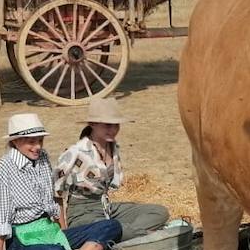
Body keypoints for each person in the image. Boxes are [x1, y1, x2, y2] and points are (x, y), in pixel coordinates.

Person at [0, 113, 121, 250]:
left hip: (51, 231)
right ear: (15, 141)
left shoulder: (43, 158)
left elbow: (54, 199)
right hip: (22, 239)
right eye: (31, 142)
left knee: (112, 226)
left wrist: (63, 231)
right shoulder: (4, 167)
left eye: (40, 141)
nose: (37, 147)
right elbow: (0, 212)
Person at [56, 97, 167, 242]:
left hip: (106, 208)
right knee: (107, 229)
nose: (113, 130)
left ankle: (122, 234)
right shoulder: (74, 152)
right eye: (108, 125)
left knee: (159, 212)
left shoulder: (113, 148)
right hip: (82, 214)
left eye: (116, 125)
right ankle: (138, 234)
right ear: (92, 124)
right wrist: (65, 233)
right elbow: (55, 194)